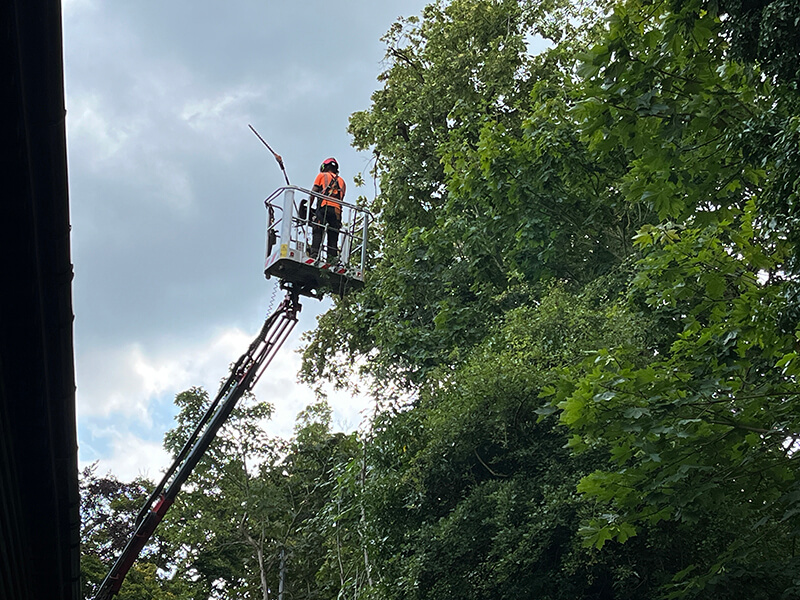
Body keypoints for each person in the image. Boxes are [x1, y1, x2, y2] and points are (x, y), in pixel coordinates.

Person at [309, 157, 346, 261]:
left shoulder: (322, 176)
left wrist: (308, 207)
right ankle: (332, 260)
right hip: (337, 211)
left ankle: (314, 255)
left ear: (324, 167)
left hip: (324, 207)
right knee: (333, 236)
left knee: (318, 230)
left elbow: (314, 192)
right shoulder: (342, 182)